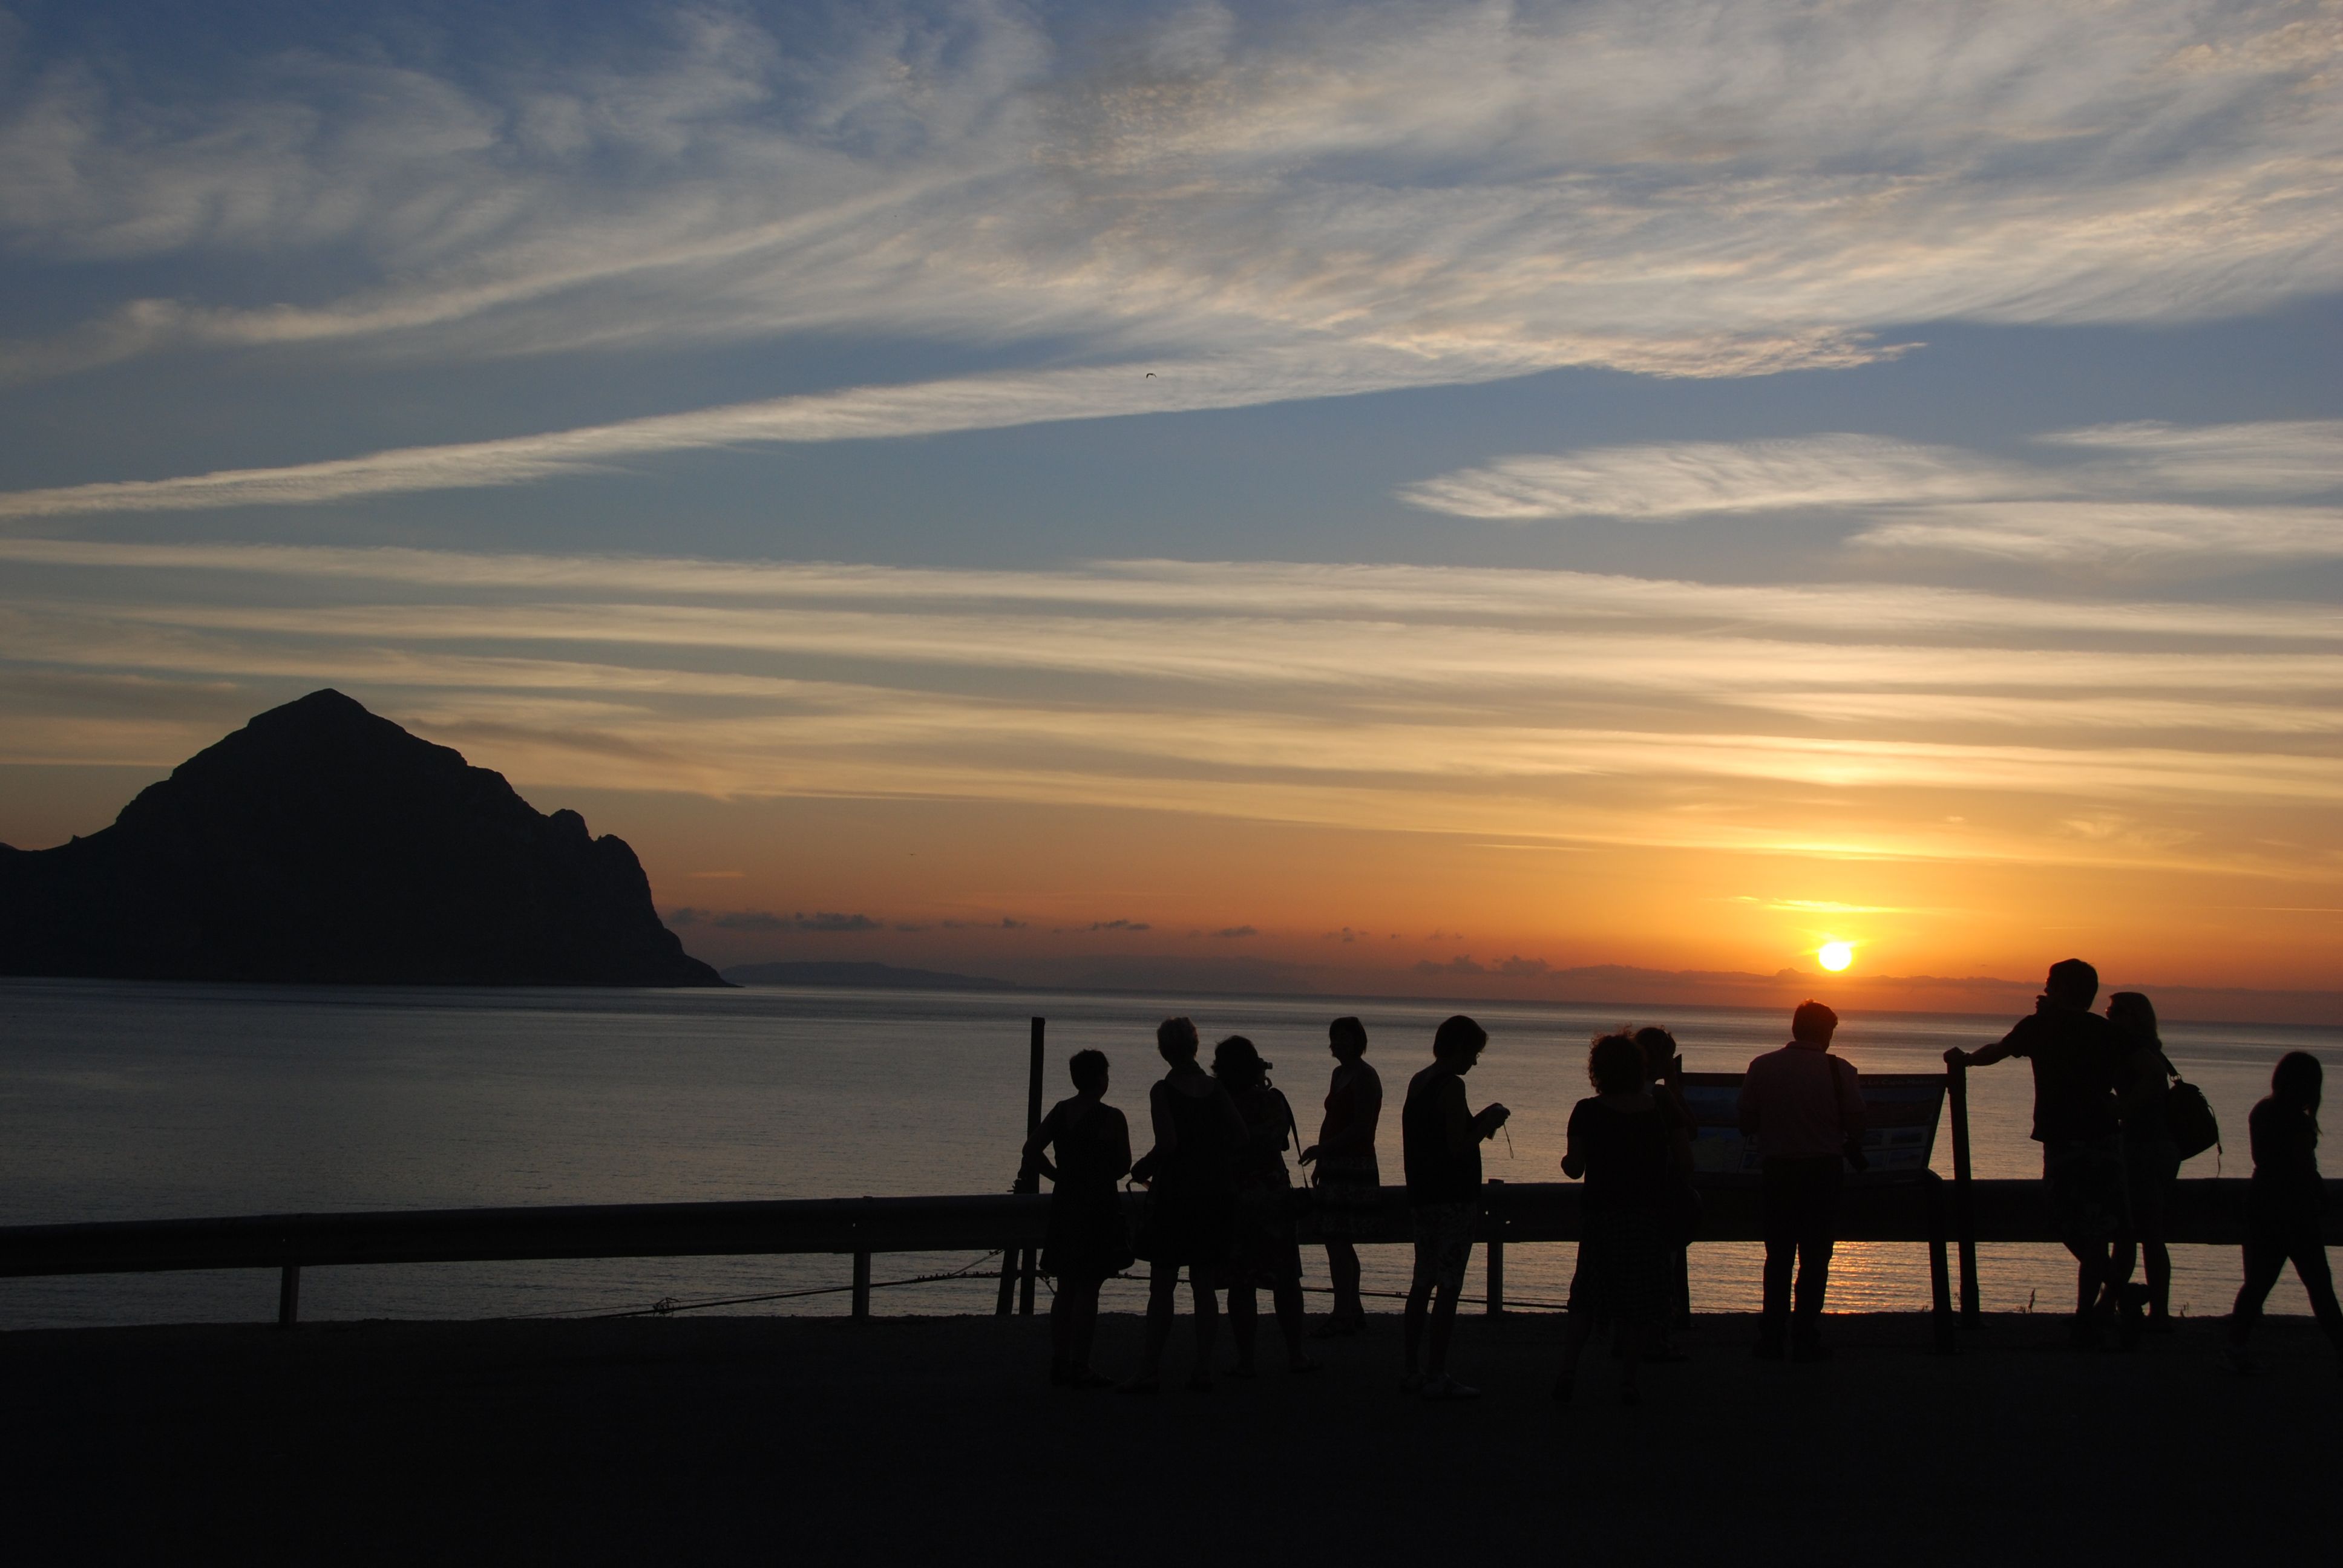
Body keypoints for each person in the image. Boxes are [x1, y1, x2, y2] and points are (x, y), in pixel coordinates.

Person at [1948, 959, 2127, 1348]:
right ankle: (2089, 1314)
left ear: (2062, 990)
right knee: (2094, 1229)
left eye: (2050, 984)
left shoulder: (2041, 1027)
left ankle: (2116, 1288)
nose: (2043, 990)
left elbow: (1998, 1051)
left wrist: (1964, 1061)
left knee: (2064, 1220)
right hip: (2106, 1138)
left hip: (2065, 1138)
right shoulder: (2104, 1031)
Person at [1555, 1031, 1689, 1405]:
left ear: (1597, 1071)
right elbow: (1686, 1161)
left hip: (1600, 1215)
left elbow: (1574, 1168)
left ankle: (1569, 1369)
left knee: (1585, 1297)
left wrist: (1569, 1161)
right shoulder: (1659, 1108)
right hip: (1646, 1217)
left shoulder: (1586, 1110)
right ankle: (1629, 1381)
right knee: (1637, 1303)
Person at [1737, 1001, 1865, 1362]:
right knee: (1815, 1259)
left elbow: (1746, 1123)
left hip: (1777, 1172)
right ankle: (1806, 1335)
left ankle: (1772, 1337)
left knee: (1777, 1258)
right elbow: (1856, 1125)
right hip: (1823, 1173)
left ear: (1795, 1028)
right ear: (1826, 1033)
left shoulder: (1762, 1066)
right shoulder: (1840, 1070)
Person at [1125, 1016, 1246, 1393]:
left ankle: (1150, 1369)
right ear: (1195, 1048)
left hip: (1176, 1196)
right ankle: (1203, 1369)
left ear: (1164, 1051)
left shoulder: (1163, 1091)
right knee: (1204, 1285)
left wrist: (1142, 1165)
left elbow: (1168, 1144)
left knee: (1162, 1284)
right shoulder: (1215, 1089)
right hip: (1214, 1195)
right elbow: (1241, 1137)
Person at [1400, 1014, 1509, 1399]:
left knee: (1421, 1283)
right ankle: (1437, 1374)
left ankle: (1412, 1369)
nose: (1474, 1062)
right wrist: (1487, 1122)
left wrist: (1478, 1121)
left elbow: (1438, 1136)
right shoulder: (1453, 1086)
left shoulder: (1419, 1081)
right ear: (1459, 1049)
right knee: (1448, 1286)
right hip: (1453, 1200)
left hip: (1423, 1196)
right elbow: (1458, 1146)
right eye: (1474, 1053)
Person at [2223, 1051, 2342, 1374]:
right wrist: (2319, 1194)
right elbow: (2303, 1165)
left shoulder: (2262, 1110)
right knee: (2319, 1285)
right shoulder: (2298, 1121)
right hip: (2294, 1210)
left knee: (2258, 1283)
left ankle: (2236, 1345)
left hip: (2261, 1200)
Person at [1023, 1048, 1133, 1388]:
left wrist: (1058, 1176)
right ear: (1101, 1079)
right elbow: (1123, 1167)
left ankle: (1060, 1361)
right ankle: (1081, 1364)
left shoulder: (1061, 1112)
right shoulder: (1113, 1117)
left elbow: (1031, 1150)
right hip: (1098, 1205)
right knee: (1089, 1289)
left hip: (1067, 1204)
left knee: (1066, 1287)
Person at [1213, 1036, 1319, 1376]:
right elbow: (1281, 1140)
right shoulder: (1273, 1100)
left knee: (1241, 1283)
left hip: (1235, 1197)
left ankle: (1246, 1360)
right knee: (1286, 1279)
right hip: (1274, 1196)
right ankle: (1296, 1353)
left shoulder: (1218, 1103)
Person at [1299, 1015, 1382, 1337]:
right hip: (1335, 1165)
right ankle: (1353, 1309)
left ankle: (1343, 1312)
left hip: (1354, 1166)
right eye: (1334, 1037)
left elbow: (1362, 1128)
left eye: (1343, 1038)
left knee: (1337, 1241)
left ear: (1357, 1041)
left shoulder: (1365, 1077)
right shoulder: (1339, 1074)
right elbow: (1332, 1118)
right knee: (1340, 1242)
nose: (1336, 1044)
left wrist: (1324, 1151)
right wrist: (1322, 1159)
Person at [2106, 992, 2178, 1336]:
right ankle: (2139, 1309)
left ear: (2134, 1017)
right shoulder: (2145, 1047)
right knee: (2142, 1233)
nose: (2109, 1016)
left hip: (2145, 1148)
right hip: (2154, 1147)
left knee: (2138, 1232)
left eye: (2116, 1011)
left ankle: (2147, 1311)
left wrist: (2123, 1110)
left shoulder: (2136, 1049)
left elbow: (2150, 1080)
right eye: (2109, 1010)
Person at [1634, 1024, 1696, 1351]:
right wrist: (1674, 1087)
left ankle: (1625, 1339)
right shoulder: (1660, 1098)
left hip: (1620, 1198)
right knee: (1659, 1272)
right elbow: (1689, 1133)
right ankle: (1656, 1341)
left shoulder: (1608, 1098)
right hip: (1659, 1198)